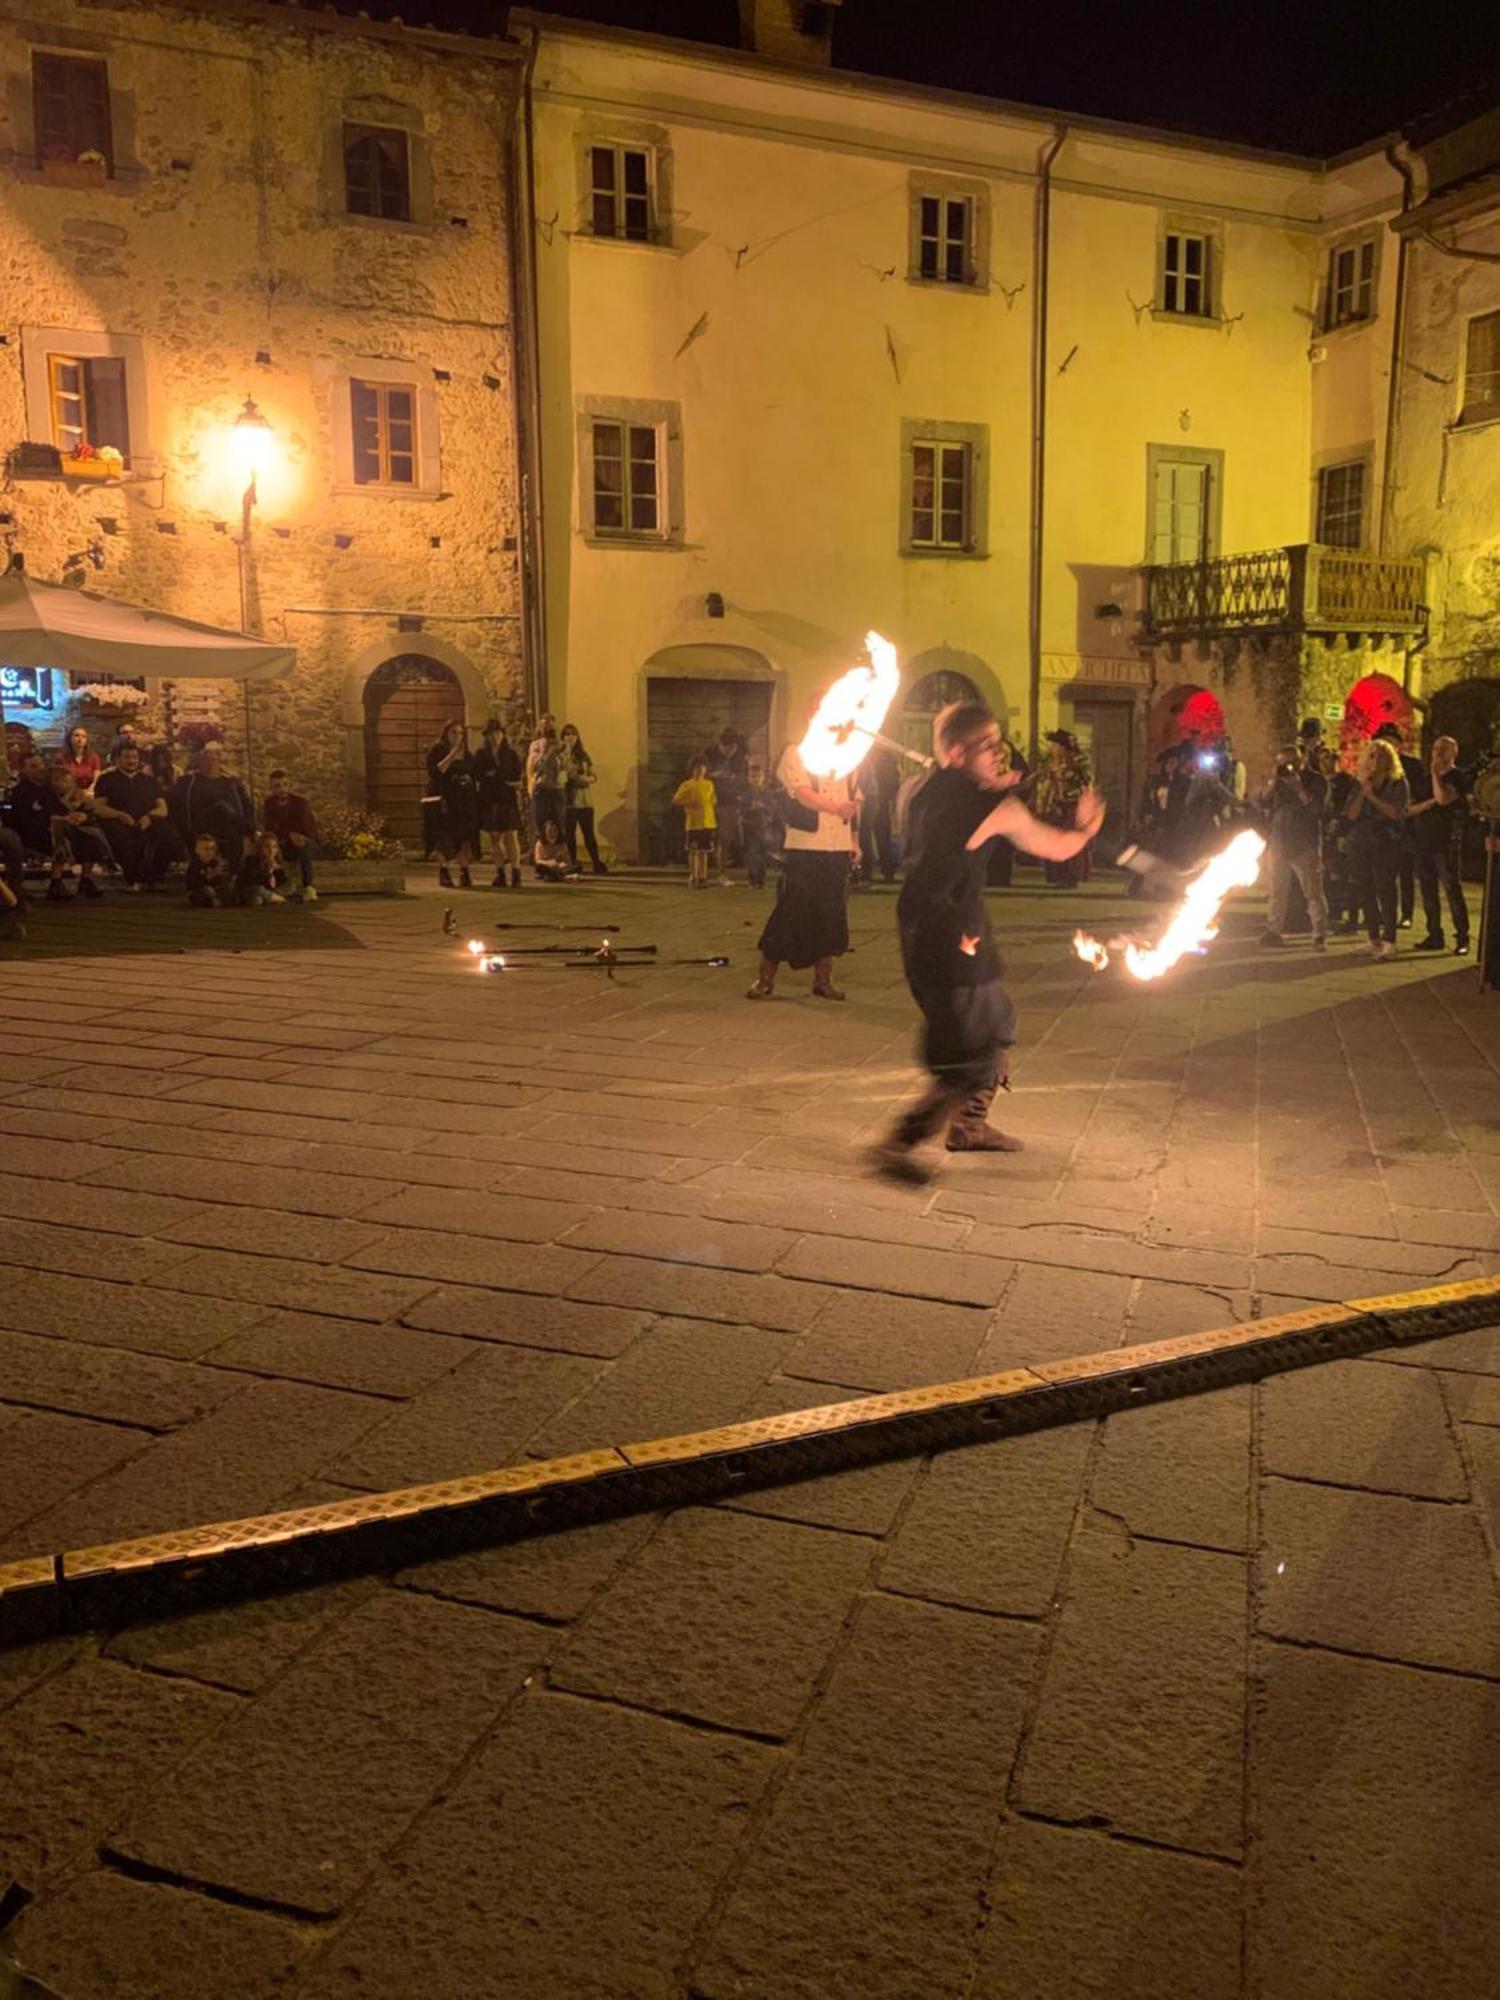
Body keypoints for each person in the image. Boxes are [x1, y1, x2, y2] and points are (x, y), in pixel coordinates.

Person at [872, 700, 1105, 1178]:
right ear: (957, 752)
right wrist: (1085, 827)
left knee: (998, 1020)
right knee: (969, 1061)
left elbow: (949, 816)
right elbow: (1055, 846)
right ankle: (900, 1143)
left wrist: (982, 785)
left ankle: (971, 1125)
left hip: (920, 928)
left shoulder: (915, 790)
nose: (1003, 755)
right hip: (954, 937)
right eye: (990, 746)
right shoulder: (997, 806)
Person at [747, 708, 858, 1000]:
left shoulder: (851, 755)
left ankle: (823, 980)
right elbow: (802, 793)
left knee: (831, 913)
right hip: (806, 847)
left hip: (838, 847)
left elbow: (855, 801)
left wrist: (855, 839)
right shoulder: (796, 753)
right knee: (791, 910)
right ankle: (765, 979)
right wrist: (834, 808)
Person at [1346, 737, 1410, 960]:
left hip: (1386, 841)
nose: (1374, 760)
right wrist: (1363, 792)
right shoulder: (1360, 782)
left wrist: (1372, 796)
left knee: (1385, 889)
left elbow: (1396, 812)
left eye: (1380, 756)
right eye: (1371, 755)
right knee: (1365, 888)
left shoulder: (1397, 782)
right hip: (1361, 841)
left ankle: (1390, 940)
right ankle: (1373, 938)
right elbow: (1351, 814)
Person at [1258, 746, 1327, 950]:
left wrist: (1299, 788)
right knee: (1277, 891)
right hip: (1279, 842)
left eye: (1292, 763)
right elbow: (1262, 801)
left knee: (1313, 892)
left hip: (1304, 843)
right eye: (1283, 764)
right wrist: (1273, 781)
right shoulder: (1278, 782)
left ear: (1301, 760)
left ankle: (1319, 934)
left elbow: (1317, 809)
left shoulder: (1316, 780)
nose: (1288, 768)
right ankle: (1274, 931)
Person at [1408, 734, 1471, 956]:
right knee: (1427, 891)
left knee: (1452, 890)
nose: (1437, 753)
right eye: (1435, 749)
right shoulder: (1424, 780)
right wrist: (1429, 803)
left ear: (1454, 753)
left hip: (1446, 842)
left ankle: (1462, 937)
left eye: (1443, 750)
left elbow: (1444, 798)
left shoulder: (1458, 777)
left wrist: (1437, 776)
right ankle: (1434, 934)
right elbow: (1410, 809)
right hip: (1423, 841)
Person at [93, 742, 180, 891]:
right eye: (126, 757)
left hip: (147, 820)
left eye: (134, 757)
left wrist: (150, 817)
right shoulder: (107, 779)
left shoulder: (149, 781)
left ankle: (155, 878)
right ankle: (135, 879)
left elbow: (162, 808)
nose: (131, 760)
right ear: (117, 759)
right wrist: (119, 815)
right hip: (120, 822)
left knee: (170, 837)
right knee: (125, 838)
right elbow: (98, 807)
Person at [173, 743, 253, 867]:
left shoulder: (231, 782)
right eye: (206, 760)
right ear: (200, 763)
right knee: (221, 807)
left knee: (234, 834)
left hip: (226, 824)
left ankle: (235, 874)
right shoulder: (189, 782)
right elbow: (181, 809)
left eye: (214, 760)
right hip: (201, 823)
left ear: (219, 762)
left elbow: (246, 804)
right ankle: (244, 826)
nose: (210, 764)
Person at [1374, 723, 1422, 930]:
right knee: (1382, 873)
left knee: (1405, 871)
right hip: (1381, 825)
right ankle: (1383, 913)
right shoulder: (1375, 765)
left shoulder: (1411, 765)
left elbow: (1419, 791)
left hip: (1405, 825)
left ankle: (1407, 913)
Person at [424, 720, 480, 890]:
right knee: (443, 837)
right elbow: (436, 771)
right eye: (454, 733)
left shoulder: (466, 753)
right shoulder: (438, 750)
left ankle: (465, 871)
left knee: (464, 837)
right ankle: (444, 872)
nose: (457, 736)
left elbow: (473, 772)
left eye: (461, 733)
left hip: (463, 801)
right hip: (444, 799)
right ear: (446, 734)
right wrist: (451, 755)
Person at [1035, 730, 1093, 886]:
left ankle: (1072, 877)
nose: (1052, 748)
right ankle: (1058, 875)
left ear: (1062, 746)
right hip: (1058, 805)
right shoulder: (1054, 763)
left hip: (1074, 804)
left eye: (1055, 745)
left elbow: (1087, 783)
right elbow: (1049, 784)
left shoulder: (1079, 761)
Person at [45, 764, 112, 899]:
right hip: (55, 829)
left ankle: (86, 879)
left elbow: (89, 811)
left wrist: (83, 816)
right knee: (61, 841)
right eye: (60, 781)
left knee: (90, 838)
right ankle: (56, 881)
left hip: (77, 828)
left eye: (67, 781)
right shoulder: (48, 796)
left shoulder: (79, 796)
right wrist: (64, 818)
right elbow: (46, 814)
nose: (64, 785)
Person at [472, 719, 524, 889]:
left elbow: (517, 775)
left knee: (511, 835)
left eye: (497, 733)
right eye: (491, 734)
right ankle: (500, 872)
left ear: (502, 734)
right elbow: (478, 774)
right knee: (495, 836)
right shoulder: (481, 754)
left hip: (507, 797)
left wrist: (513, 782)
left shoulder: (510, 753)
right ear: (486, 736)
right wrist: (489, 775)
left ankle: (516, 872)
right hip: (489, 798)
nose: (495, 737)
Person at [262, 769, 320, 903]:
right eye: (277, 786)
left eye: (285, 784)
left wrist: (288, 833)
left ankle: (308, 886)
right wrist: (288, 834)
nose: (282, 789)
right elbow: (270, 826)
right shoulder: (269, 804)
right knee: (269, 844)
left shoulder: (300, 803)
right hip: (285, 841)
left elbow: (303, 826)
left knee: (302, 843)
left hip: (308, 841)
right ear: (271, 788)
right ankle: (276, 884)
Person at [560, 723, 607, 874]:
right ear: (562, 737)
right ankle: (573, 863)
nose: (570, 737)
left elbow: (593, 776)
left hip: (585, 801)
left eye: (573, 734)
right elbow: (564, 776)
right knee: (570, 834)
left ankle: (596, 862)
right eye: (566, 734)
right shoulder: (560, 755)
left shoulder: (583, 754)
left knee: (589, 834)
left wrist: (585, 779)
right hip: (569, 802)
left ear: (577, 736)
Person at [856, 741, 902, 885]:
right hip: (881, 796)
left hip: (868, 796)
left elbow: (862, 779)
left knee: (865, 833)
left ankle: (866, 872)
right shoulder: (886, 754)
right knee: (883, 835)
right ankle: (888, 872)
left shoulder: (860, 753)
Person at [673, 757, 719, 889]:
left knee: (704, 851)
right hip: (693, 822)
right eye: (696, 768)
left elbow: (713, 800)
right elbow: (676, 799)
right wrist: (689, 802)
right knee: (694, 851)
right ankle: (694, 875)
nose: (700, 770)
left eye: (702, 767)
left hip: (708, 822)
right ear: (692, 770)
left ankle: (703, 876)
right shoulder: (687, 785)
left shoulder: (709, 784)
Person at [526, 715, 565, 843]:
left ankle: (560, 856)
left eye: (549, 725)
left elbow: (566, 766)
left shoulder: (561, 745)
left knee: (559, 823)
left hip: (557, 788)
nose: (546, 727)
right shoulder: (536, 745)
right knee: (539, 823)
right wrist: (546, 752)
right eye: (543, 725)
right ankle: (539, 857)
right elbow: (534, 766)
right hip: (541, 787)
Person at [741, 761, 773, 890]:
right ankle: (753, 878)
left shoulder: (766, 792)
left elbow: (772, 809)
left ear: (763, 777)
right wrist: (750, 808)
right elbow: (741, 809)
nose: (756, 779)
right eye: (753, 776)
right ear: (748, 777)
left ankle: (761, 878)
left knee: (762, 852)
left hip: (763, 825)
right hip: (749, 825)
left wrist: (764, 807)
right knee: (752, 852)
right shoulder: (745, 793)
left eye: (758, 776)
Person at [238, 831, 288, 906]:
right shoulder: (251, 860)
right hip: (252, 890)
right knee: (257, 897)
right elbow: (253, 882)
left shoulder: (277, 860)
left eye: (274, 847)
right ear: (260, 848)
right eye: (267, 847)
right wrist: (268, 870)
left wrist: (279, 870)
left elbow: (283, 882)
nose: (271, 851)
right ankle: (282, 899)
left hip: (269, 892)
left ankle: (273, 898)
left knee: (292, 885)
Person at [186, 832, 232, 907]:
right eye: (206, 849)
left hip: (215, 892)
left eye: (212, 849)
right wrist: (209, 876)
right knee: (207, 891)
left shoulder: (216, 863)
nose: (210, 852)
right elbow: (194, 885)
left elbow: (221, 883)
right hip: (198, 892)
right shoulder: (194, 865)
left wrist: (224, 876)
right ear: (197, 850)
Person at [59, 724, 101, 793]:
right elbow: (59, 780)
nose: (80, 739)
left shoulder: (94, 757)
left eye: (84, 736)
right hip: (69, 793)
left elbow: (96, 778)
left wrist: (90, 790)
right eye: (76, 735)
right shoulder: (61, 758)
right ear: (69, 738)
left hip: (89, 792)